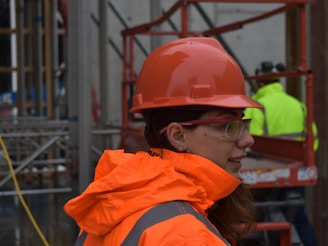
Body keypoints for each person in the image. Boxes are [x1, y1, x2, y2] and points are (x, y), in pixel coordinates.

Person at [64, 37, 263, 245]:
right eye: (229, 126)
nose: (247, 140)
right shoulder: (186, 236)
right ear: (178, 136)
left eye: (243, 123)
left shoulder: (116, 200)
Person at [244, 61, 318, 246]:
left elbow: (249, 140)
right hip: (297, 169)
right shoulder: (299, 106)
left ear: (260, 84)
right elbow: (313, 139)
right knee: (299, 218)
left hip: (266, 175)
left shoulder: (257, 106)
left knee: (261, 219)